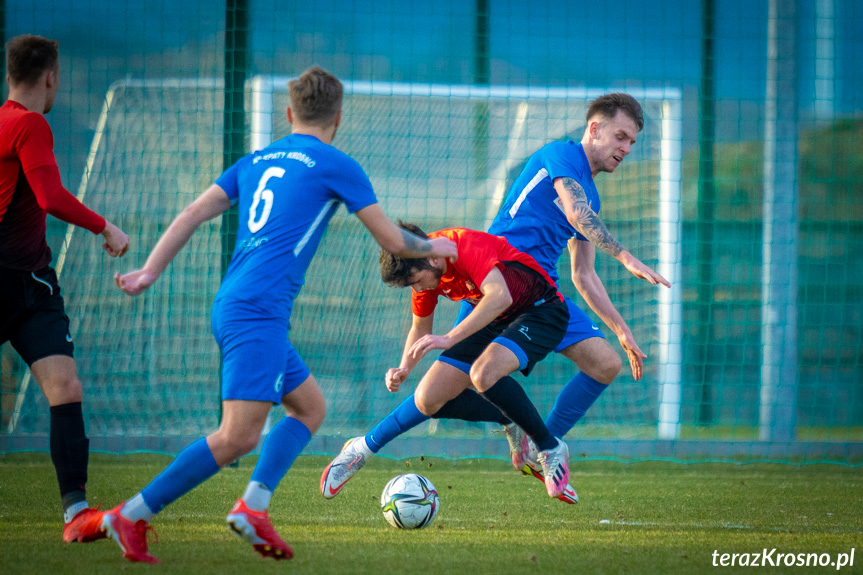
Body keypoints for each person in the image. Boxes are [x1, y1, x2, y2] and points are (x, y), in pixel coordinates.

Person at [95, 66, 457, 564]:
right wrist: (443, 245)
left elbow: (191, 214)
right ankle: (131, 514)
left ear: (289, 113)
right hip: (258, 312)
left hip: (236, 303)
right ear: (339, 117)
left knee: (309, 408)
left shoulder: (254, 161)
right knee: (237, 435)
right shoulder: (335, 163)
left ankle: (255, 506)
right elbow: (394, 242)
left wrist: (149, 271)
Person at [321, 93, 669, 500]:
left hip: (540, 292)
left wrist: (621, 329)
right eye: (621, 136)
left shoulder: (591, 194)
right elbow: (574, 212)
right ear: (594, 129)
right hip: (495, 284)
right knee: (431, 397)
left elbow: (584, 274)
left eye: (632, 142)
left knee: (606, 365)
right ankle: (361, 448)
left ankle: (545, 444)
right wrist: (624, 255)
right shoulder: (561, 155)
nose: (626, 149)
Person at [322, 222, 573, 500]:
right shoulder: (423, 267)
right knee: (428, 399)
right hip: (497, 318)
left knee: (483, 374)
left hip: (541, 312)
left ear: (431, 258)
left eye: (416, 280)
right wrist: (404, 367)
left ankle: (550, 447)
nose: (417, 288)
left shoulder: (463, 246)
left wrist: (451, 337)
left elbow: (500, 296)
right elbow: (420, 327)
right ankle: (510, 419)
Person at [0, 34, 130, 543]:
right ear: (50, 76)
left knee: (65, 388)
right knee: (65, 389)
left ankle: (76, 512)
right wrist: (105, 227)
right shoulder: (28, 122)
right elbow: (50, 197)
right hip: (7, 280)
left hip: (33, 286)